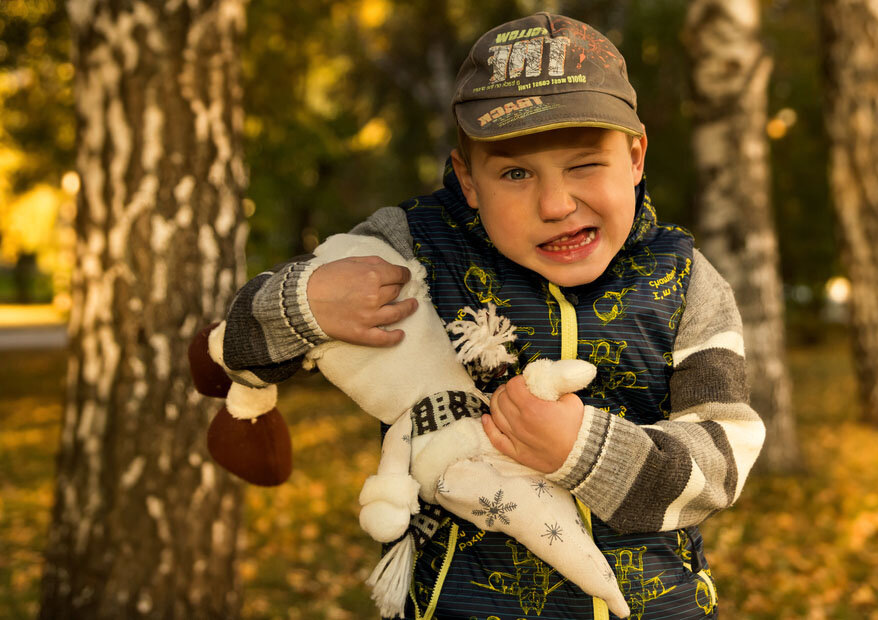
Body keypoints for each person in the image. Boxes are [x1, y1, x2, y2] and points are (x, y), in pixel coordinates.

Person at [219, 12, 765, 619]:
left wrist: (584, 451)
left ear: (636, 158)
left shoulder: (684, 278)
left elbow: (724, 457)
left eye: (585, 164)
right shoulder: (416, 249)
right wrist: (306, 303)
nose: (556, 204)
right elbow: (240, 342)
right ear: (468, 180)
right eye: (514, 173)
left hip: (657, 608)